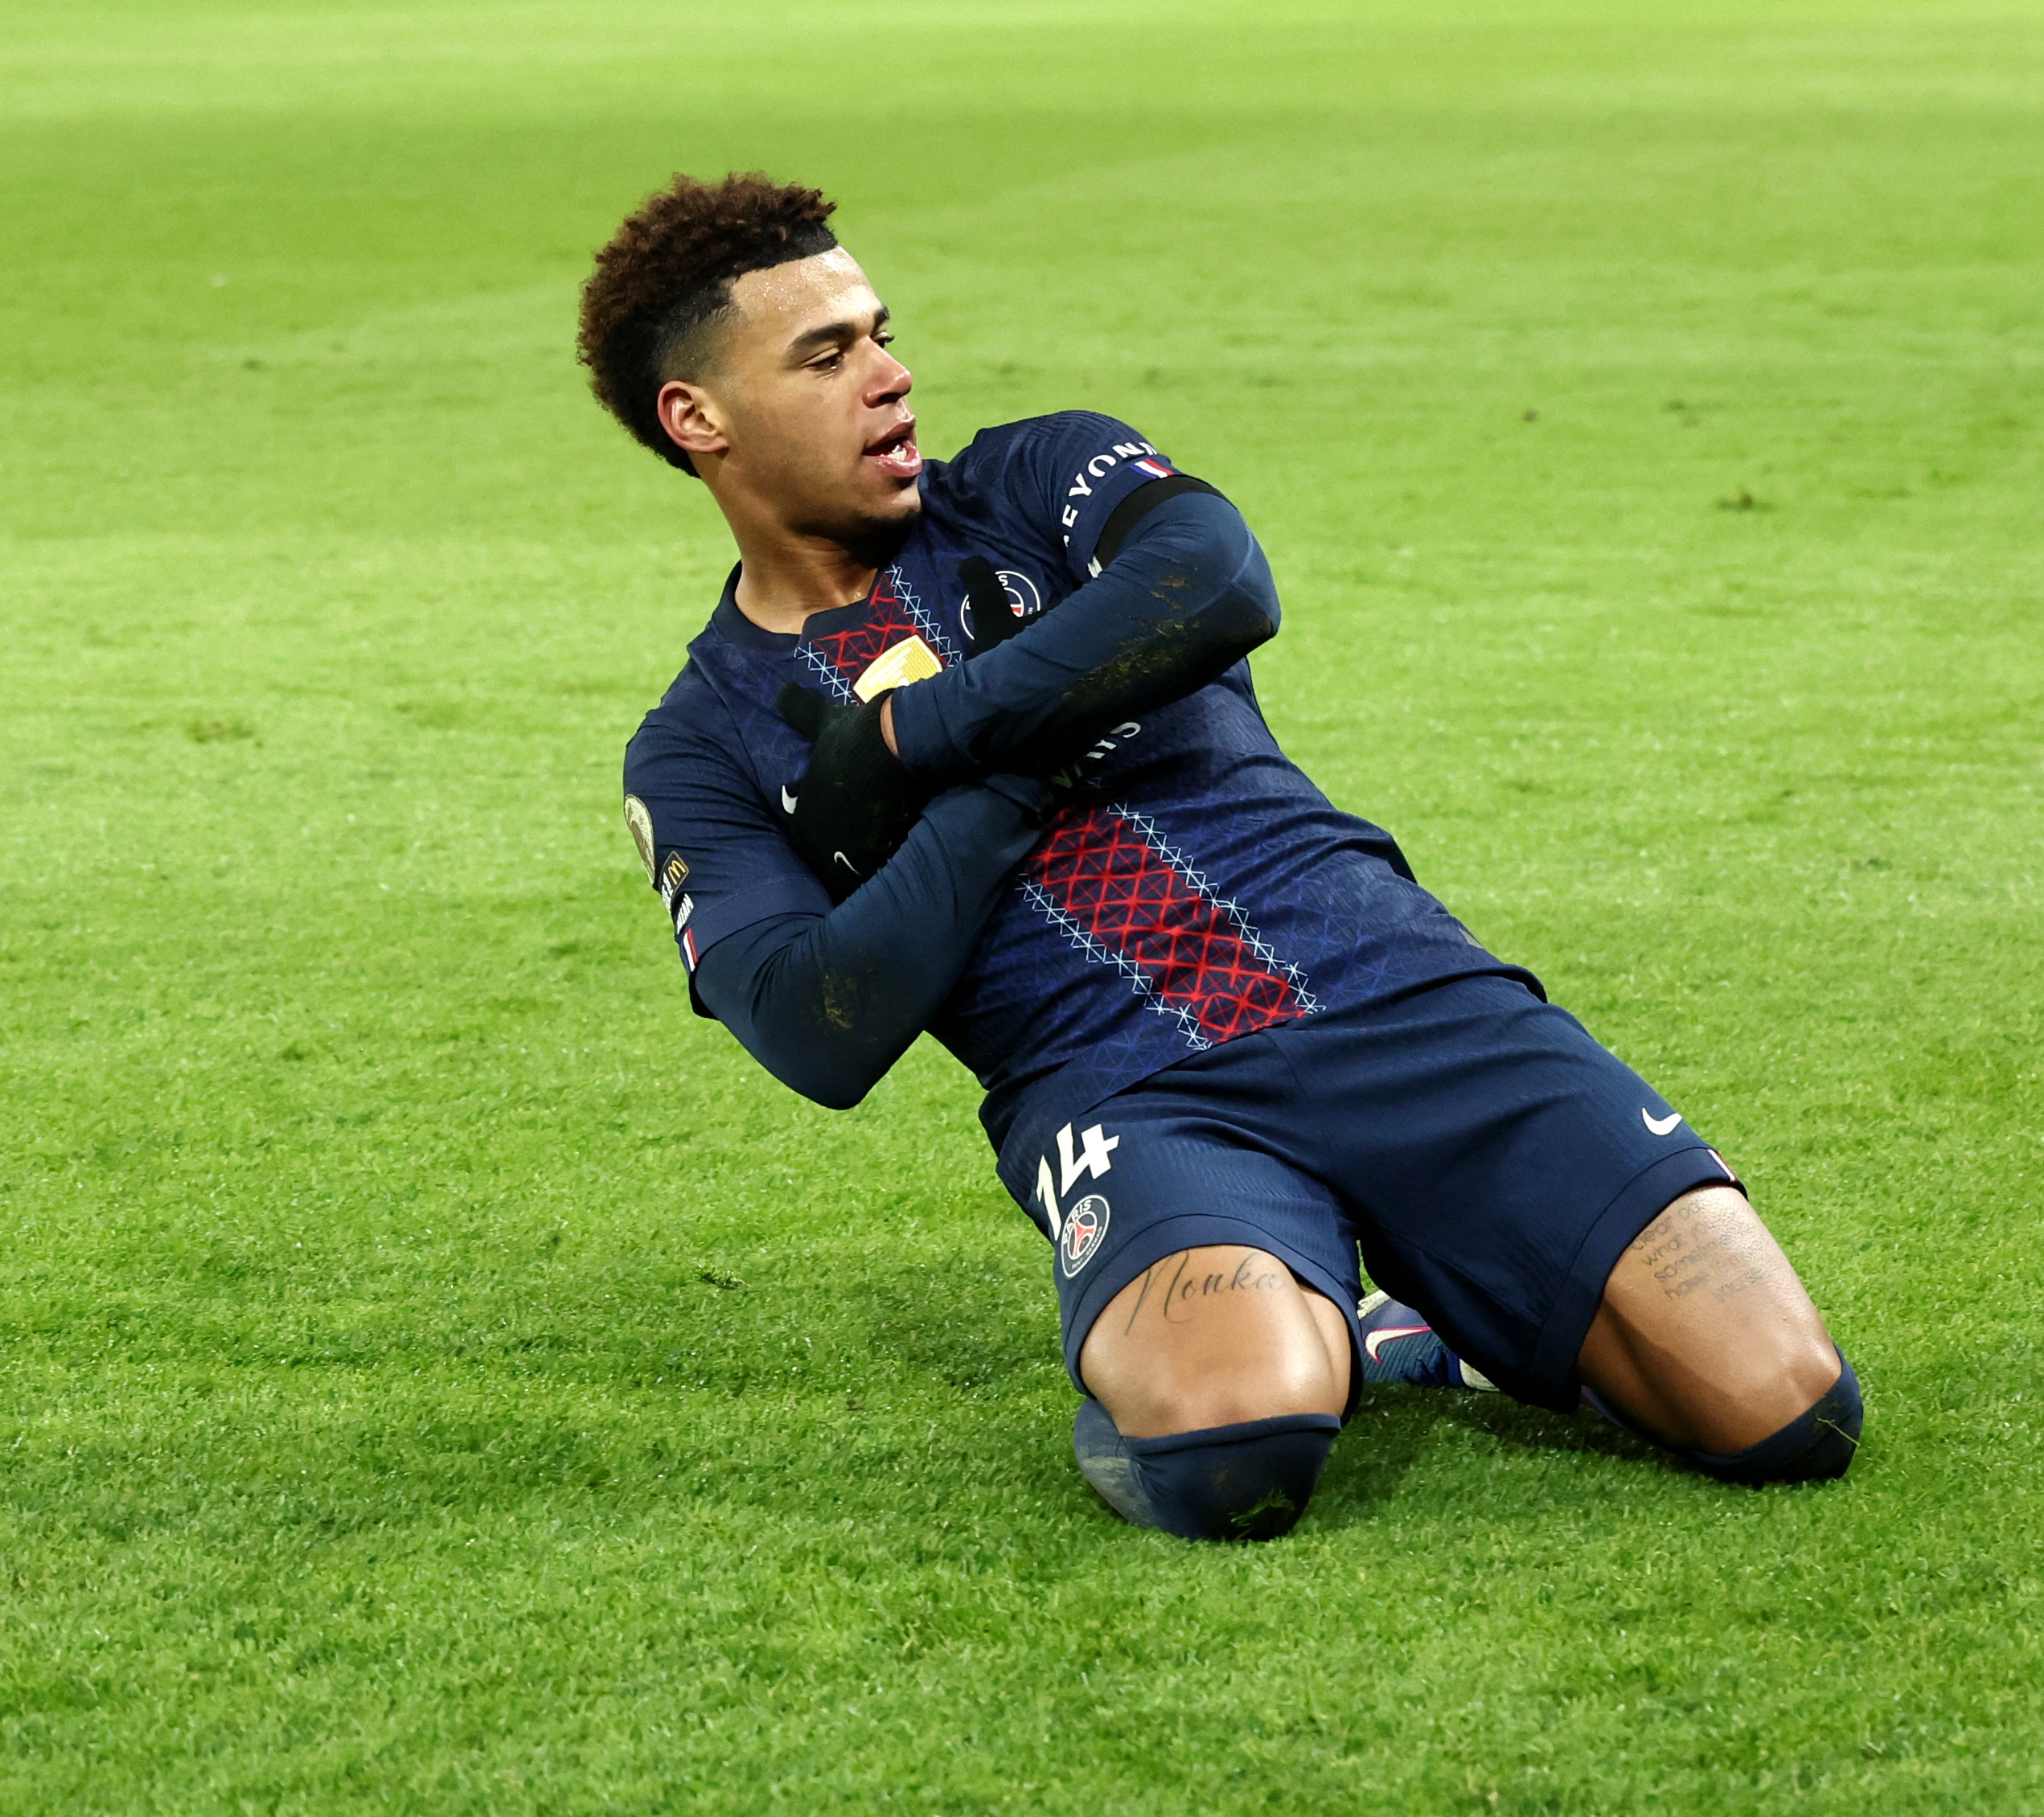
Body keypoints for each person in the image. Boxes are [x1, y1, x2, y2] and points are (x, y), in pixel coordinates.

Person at [590, 173, 1861, 1542]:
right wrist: (1021, 767)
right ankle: (1357, 1331)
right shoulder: (701, 745)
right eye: (827, 356)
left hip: (1396, 991)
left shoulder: (1032, 480)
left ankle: (1459, 1287)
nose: (891, 377)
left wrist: (915, 743)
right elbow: (813, 1024)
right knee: (1235, 1453)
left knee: (1785, 1411)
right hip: (1129, 1091)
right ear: (697, 418)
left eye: (882, 333)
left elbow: (1215, 581)